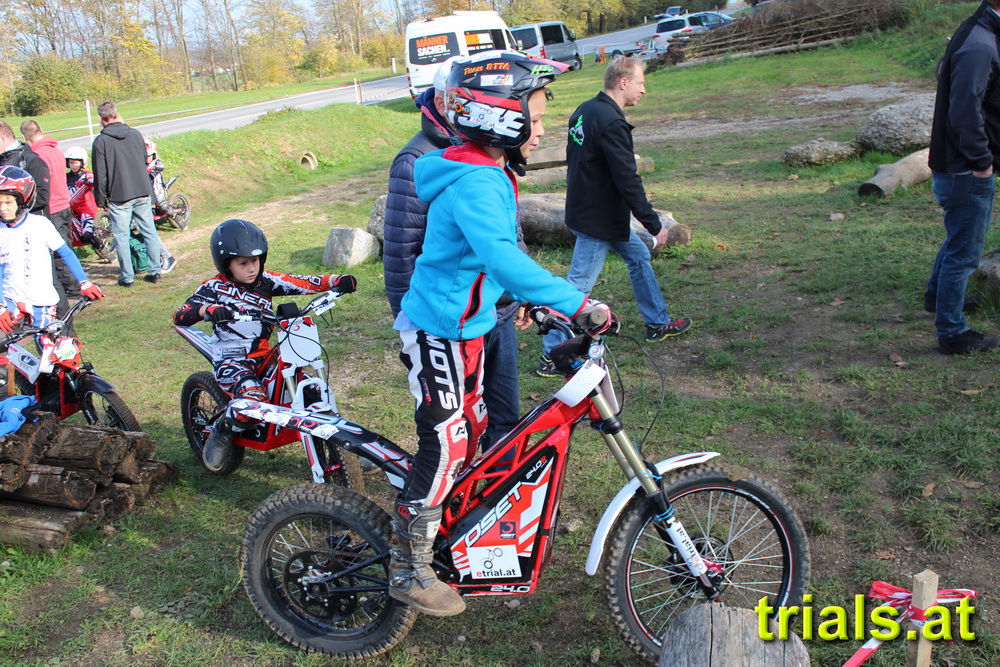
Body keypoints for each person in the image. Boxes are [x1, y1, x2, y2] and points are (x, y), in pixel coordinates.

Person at [389, 50, 614, 617]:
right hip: (438, 329)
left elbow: (477, 262)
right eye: (533, 120)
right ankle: (407, 566)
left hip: (466, 325)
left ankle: (449, 527)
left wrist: (526, 301)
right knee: (447, 441)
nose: (542, 131)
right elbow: (502, 257)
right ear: (498, 119)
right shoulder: (477, 180)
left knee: (476, 432)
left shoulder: (485, 171)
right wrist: (576, 303)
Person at [384, 56, 525, 451]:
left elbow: (507, 231)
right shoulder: (416, 159)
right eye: (456, 101)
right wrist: (414, 327)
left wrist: (520, 294)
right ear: (442, 100)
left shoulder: (488, 148)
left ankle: (499, 483)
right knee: (453, 426)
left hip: (496, 309)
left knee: (503, 414)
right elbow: (402, 249)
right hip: (448, 321)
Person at [537, 55, 691, 377]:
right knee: (577, 287)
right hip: (598, 221)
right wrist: (653, 224)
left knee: (638, 257)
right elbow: (627, 179)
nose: (643, 90)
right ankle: (552, 354)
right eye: (640, 83)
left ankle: (657, 323)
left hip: (595, 212)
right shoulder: (611, 122)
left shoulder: (585, 110)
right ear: (623, 82)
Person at [173, 219, 357, 472]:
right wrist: (207, 310)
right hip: (232, 359)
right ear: (225, 264)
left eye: (256, 260)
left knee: (313, 391)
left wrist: (336, 280)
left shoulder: (266, 281)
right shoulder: (213, 288)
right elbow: (180, 315)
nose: (252, 268)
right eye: (243, 263)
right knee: (253, 401)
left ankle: (349, 447)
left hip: (265, 355)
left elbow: (302, 282)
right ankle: (221, 432)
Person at [924, 0, 1000, 355]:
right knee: (965, 253)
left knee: (959, 237)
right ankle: (952, 332)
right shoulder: (980, 44)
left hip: (955, 163)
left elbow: (944, 70)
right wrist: (981, 160)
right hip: (965, 167)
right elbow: (965, 111)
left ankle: (936, 296)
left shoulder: (978, 29)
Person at [0, 166, 103, 333]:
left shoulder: (39, 224)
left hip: (41, 300)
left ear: (23, 200)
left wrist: (84, 282)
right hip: (10, 299)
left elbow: (66, 253)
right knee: (9, 344)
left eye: (8, 202)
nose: (2, 208)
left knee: (46, 344)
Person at [91, 101, 165, 287]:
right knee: (149, 231)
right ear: (117, 114)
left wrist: (100, 199)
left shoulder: (101, 141)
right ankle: (155, 270)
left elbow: (100, 174)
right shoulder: (135, 134)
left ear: (100, 118)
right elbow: (143, 158)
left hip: (119, 194)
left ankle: (127, 277)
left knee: (121, 236)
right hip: (141, 188)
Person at [22, 120, 82, 319]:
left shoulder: (37, 156)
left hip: (52, 206)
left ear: (26, 138)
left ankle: (71, 288)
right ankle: (73, 283)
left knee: (57, 251)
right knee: (66, 246)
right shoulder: (56, 150)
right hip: (64, 203)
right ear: (41, 130)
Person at [64, 147, 108, 258]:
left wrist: (88, 181)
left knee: (87, 235)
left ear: (82, 162)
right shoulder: (65, 177)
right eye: (71, 162)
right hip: (72, 211)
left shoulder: (86, 175)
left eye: (76, 162)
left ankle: (105, 251)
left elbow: (94, 180)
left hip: (86, 210)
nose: (73, 165)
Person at [143, 141, 178, 274]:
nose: (147, 158)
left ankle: (166, 256)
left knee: (164, 209)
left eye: (149, 155)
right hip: (146, 197)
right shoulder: (141, 164)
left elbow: (160, 166)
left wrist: (147, 169)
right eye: (145, 156)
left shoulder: (156, 162)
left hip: (158, 194)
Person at [0, 122, 49, 215]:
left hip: (28, 219)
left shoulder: (32, 160)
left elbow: (42, 197)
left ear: (2, 137)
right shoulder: (2, 159)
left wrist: (14, 208)